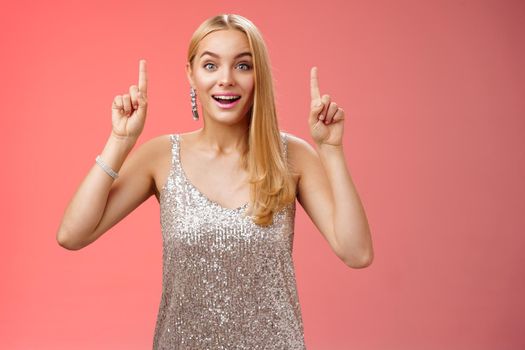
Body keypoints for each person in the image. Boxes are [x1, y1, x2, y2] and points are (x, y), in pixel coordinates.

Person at [56, 13, 373, 349]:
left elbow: (357, 253)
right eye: (210, 66)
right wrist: (120, 141)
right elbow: (72, 235)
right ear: (191, 75)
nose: (226, 79)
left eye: (242, 66)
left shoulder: (291, 155)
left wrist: (331, 150)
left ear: (258, 76)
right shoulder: (162, 156)